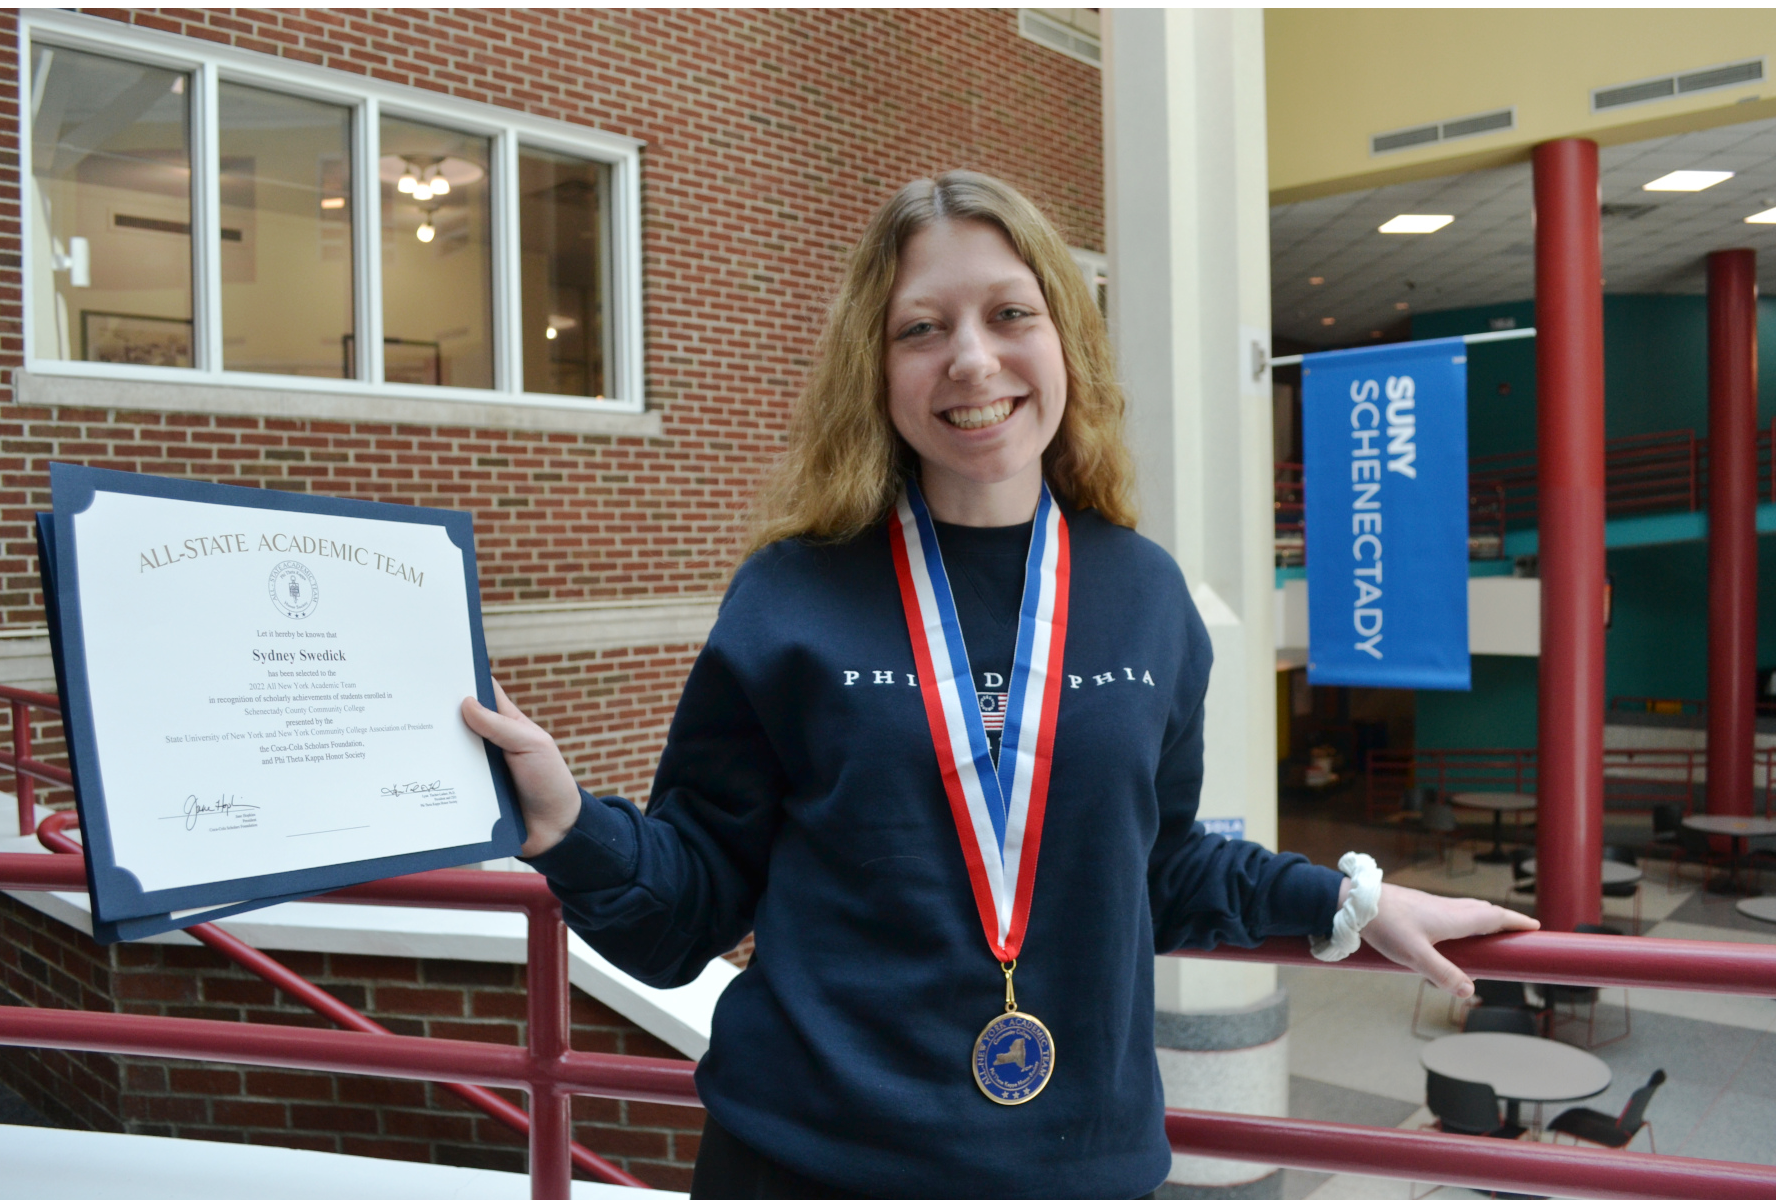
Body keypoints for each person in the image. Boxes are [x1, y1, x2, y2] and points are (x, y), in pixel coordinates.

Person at [461, 170, 1537, 1200]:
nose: (971, 361)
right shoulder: (792, 594)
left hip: (1074, 1168)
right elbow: (686, 907)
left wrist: (1348, 898)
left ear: (1064, 336)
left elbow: (1155, 861)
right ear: (874, 372)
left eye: (1009, 314)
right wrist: (563, 820)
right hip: (805, 1163)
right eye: (921, 329)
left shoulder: (1143, 594)